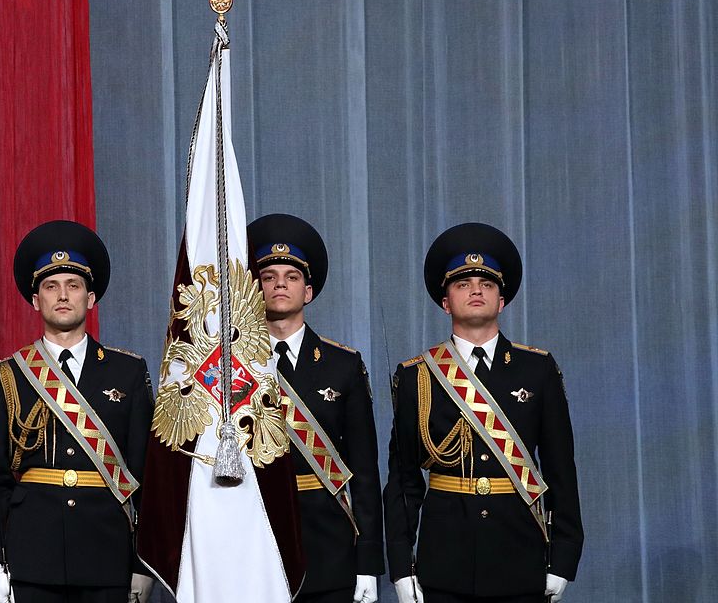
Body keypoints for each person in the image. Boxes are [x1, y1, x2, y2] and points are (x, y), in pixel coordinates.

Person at [384, 222, 583, 603]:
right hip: (444, 560)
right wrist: (400, 565)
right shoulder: (417, 376)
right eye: (462, 284)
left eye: (487, 285)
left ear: (501, 300)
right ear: (445, 302)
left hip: (520, 555)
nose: (476, 290)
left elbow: (561, 469)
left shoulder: (537, 370)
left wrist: (564, 556)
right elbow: (404, 482)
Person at [0, 220, 155, 603]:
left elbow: (146, 475)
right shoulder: (8, 375)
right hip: (31, 555)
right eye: (51, 286)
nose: (62, 295)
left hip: (107, 554)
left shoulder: (128, 371)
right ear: (35, 300)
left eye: (73, 286)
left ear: (90, 299)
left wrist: (143, 564)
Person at [247, 214, 384, 603]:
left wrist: (368, 562)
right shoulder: (231, 367)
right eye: (268, 276)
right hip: (254, 540)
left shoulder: (343, 365)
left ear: (307, 292)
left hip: (329, 548)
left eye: (290, 277)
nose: (279, 285)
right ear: (255, 290)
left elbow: (365, 473)